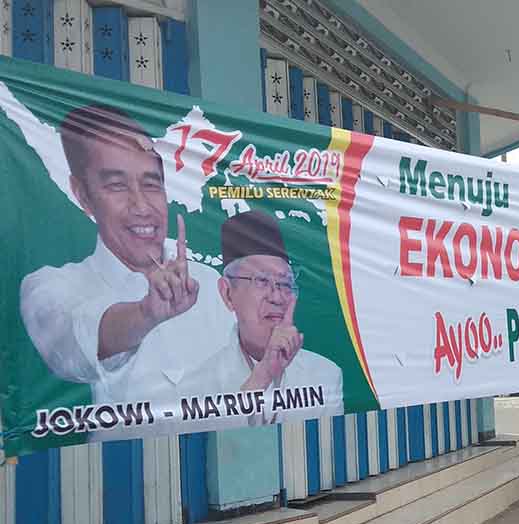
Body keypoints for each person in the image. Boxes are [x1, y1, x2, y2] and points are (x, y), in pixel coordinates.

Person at [19, 104, 233, 434]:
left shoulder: (210, 284)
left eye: (151, 184)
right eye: (117, 186)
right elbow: (75, 343)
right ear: (83, 195)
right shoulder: (50, 287)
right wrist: (146, 313)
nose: (141, 206)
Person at [179, 210, 342, 428]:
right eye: (262, 281)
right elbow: (214, 444)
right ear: (228, 294)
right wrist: (263, 374)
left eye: (284, 283)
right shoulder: (196, 385)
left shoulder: (326, 375)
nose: (276, 296)